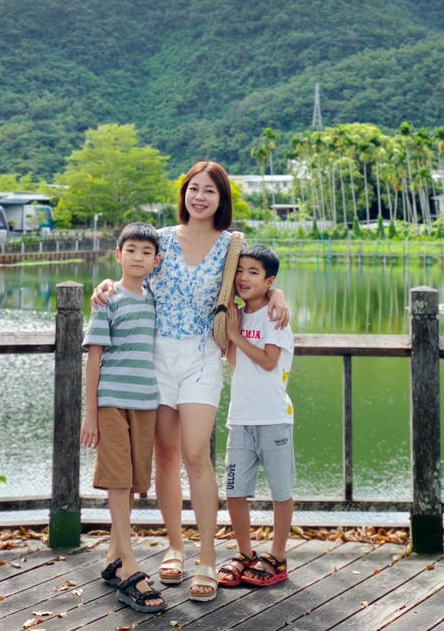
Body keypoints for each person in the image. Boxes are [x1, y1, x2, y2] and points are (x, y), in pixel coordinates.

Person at [90, 161, 288, 603]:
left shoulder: (231, 246)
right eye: (193, 188)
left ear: (222, 200)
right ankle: (174, 547)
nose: (199, 197)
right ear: (184, 194)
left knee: (196, 454)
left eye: (209, 191)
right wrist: (105, 283)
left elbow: (254, 279)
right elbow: (131, 272)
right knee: (166, 453)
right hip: (156, 356)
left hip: (202, 356)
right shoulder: (159, 239)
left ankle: (206, 555)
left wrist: (277, 294)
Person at [80, 222, 166, 614]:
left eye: (146, 252)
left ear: (156, 260)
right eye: (130, 250)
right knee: (117, 478)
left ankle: (113, 557)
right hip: (112, 401)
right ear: (118, 254)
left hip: (145, 401)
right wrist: (91, 414)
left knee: (131, 481)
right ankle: (130, 563)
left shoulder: (152, 298)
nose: (138, 257)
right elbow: (94, 357)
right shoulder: (108, 299)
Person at [217, 245, 294, 590]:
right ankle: (246, 554)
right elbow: (236, 364)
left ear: (269, 281)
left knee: (280, 491)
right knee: (234, 489)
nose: (245, 278)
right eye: (241, 271)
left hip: (274, 418)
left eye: (254, 272)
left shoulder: (275, 316)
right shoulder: (237, 315)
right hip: (240, 418)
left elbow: (267, 361)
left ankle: (277, 556)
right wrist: (232, 333)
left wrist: (235, 336)